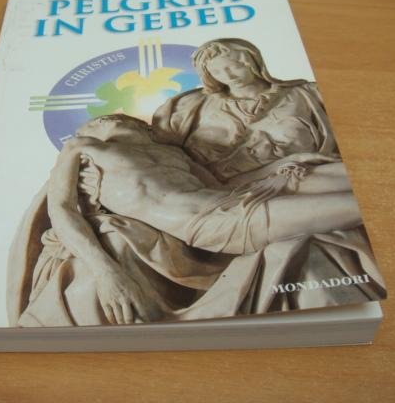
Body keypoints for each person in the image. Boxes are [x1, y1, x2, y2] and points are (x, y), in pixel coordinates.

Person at [46, 114, 362, 325]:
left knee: (338, 174)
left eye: (119, 117)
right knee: (356, 207)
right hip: (216, 224)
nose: (108, 119)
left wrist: (287, 162)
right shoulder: (81, 148)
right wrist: (106, 273)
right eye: (99, 120)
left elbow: (224, 187)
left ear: (148, 130)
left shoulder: (174, 154)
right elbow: (61, 208)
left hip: (234, 200)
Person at [153, 38, 338, 183]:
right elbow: (157, 154)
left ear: (253, 62)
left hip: (302, 179)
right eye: (217, 72)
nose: (228, 76)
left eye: (235, 67)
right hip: (213, 194)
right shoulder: (188, 107)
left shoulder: (309, 94)